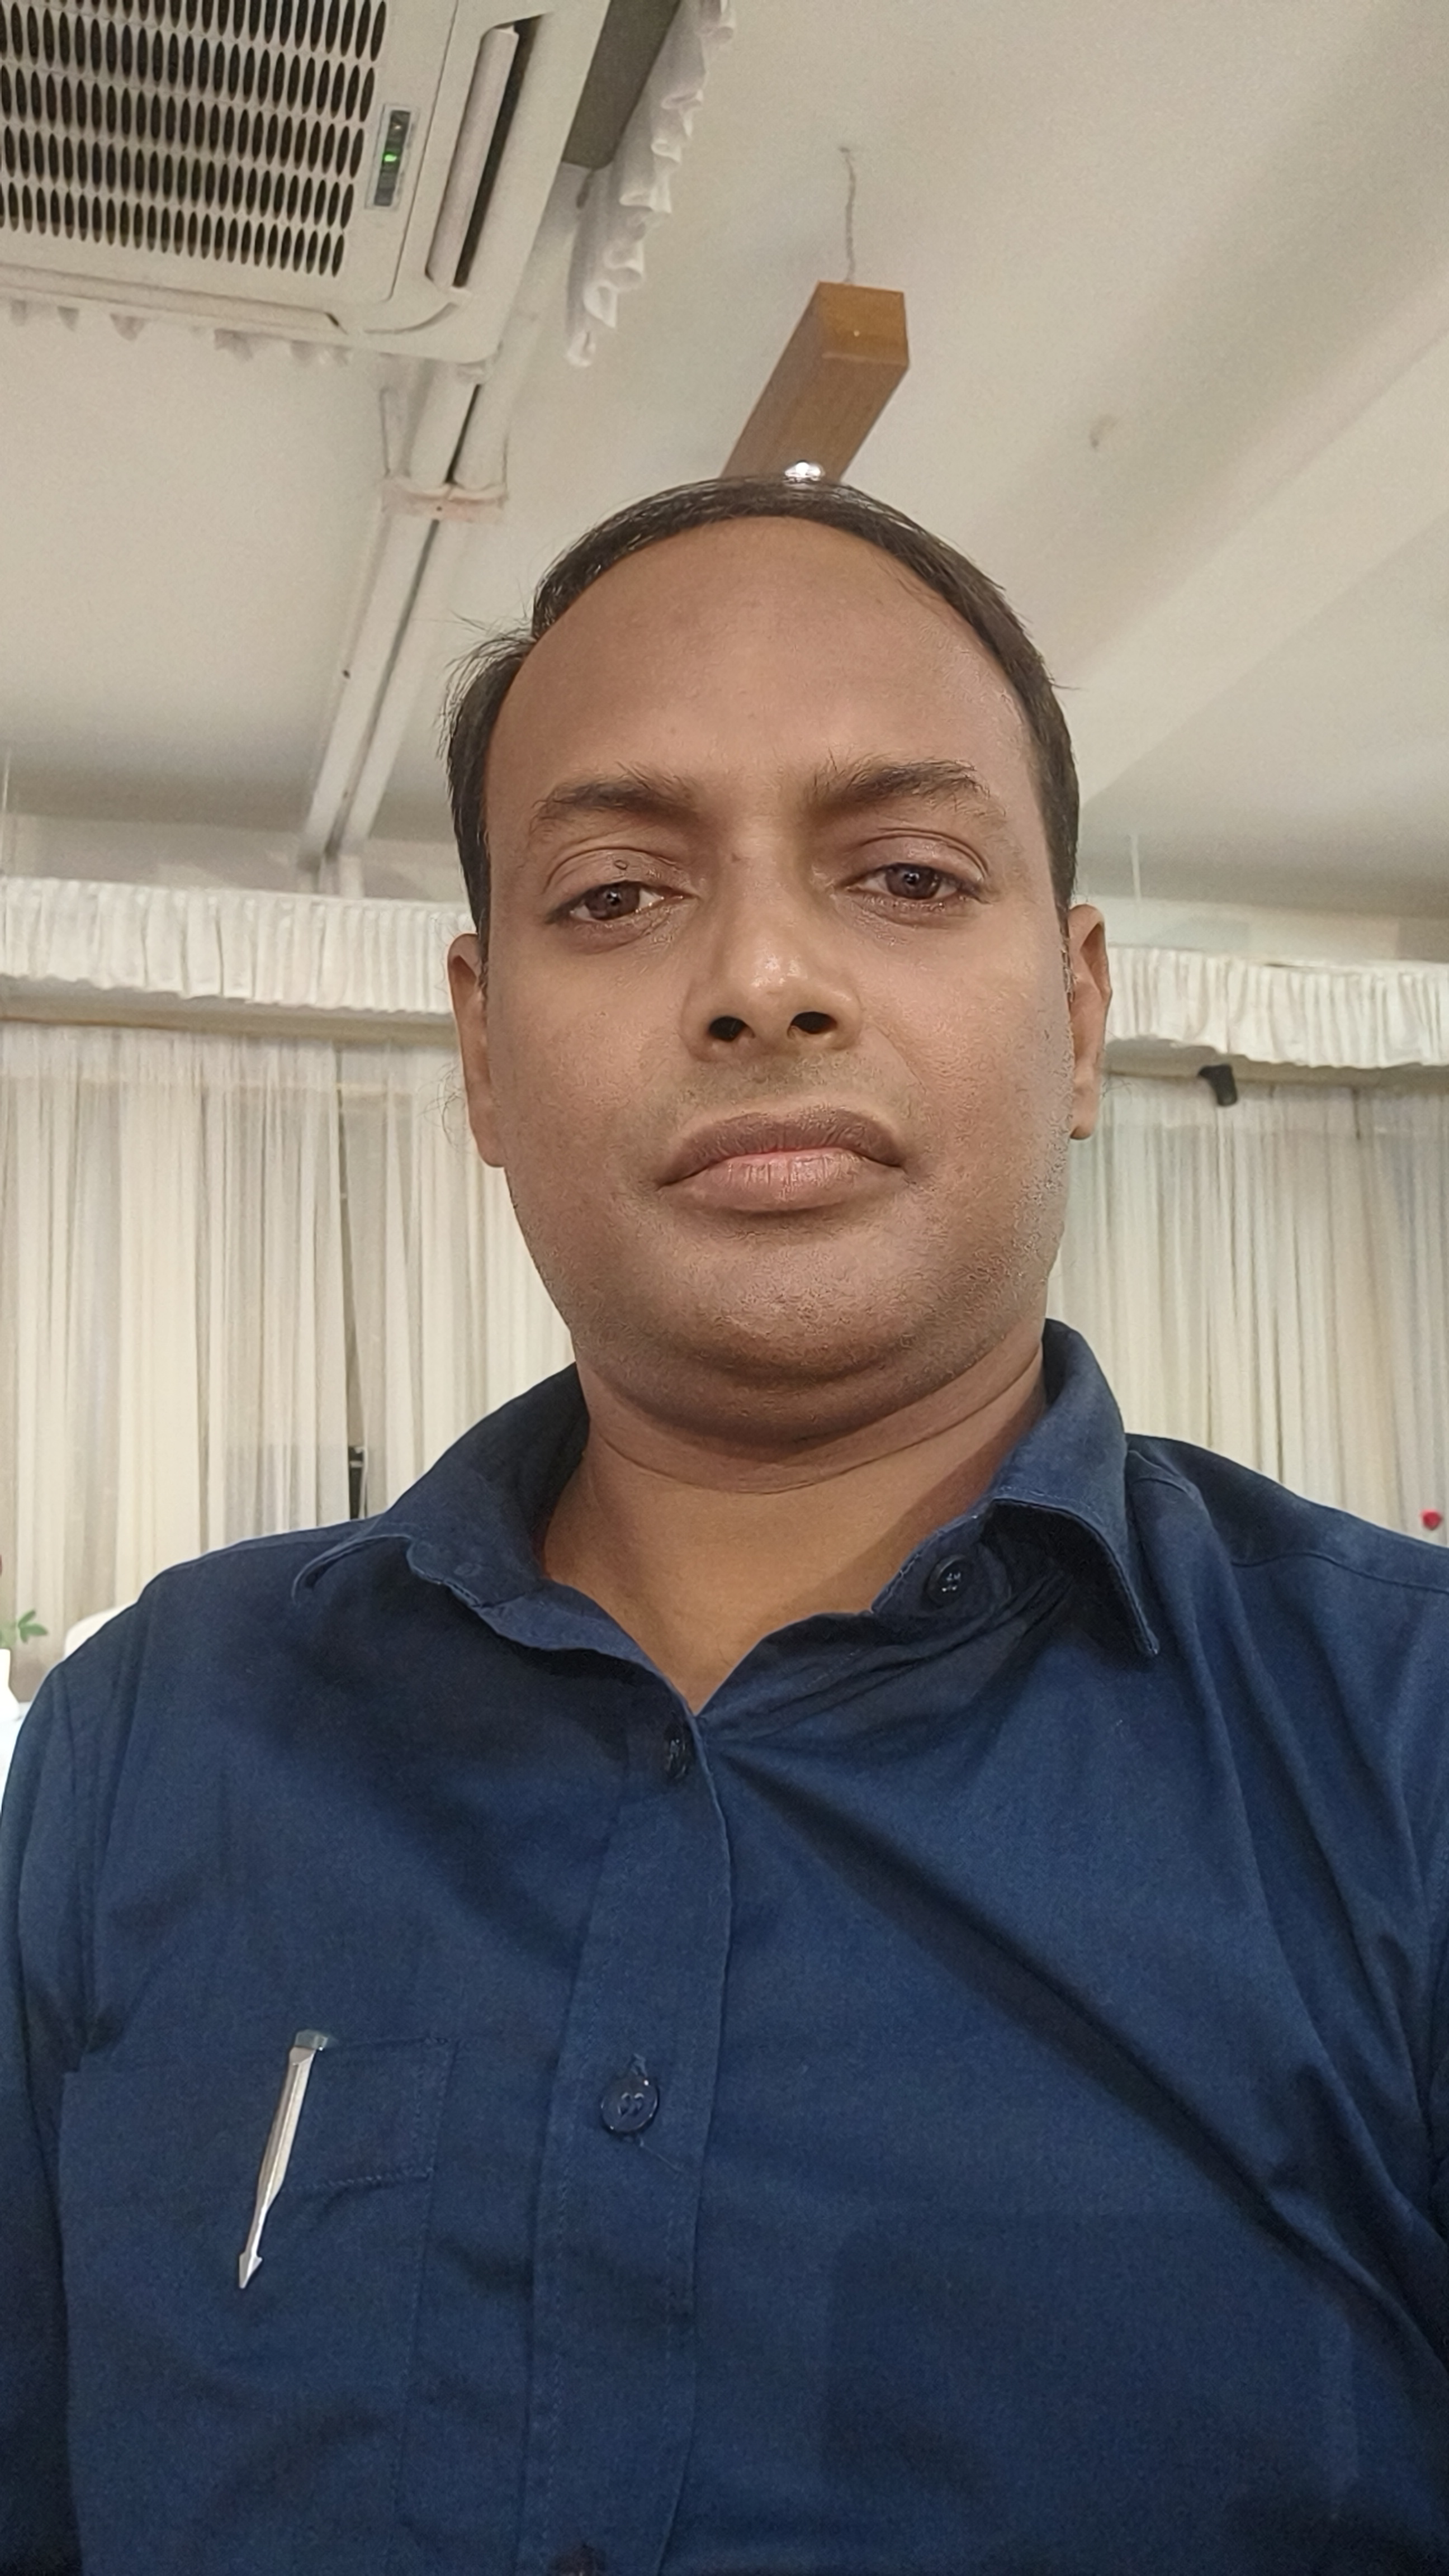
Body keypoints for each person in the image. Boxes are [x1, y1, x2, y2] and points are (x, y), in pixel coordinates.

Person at [2, 475, 1447, 2576]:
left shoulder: (1406, 1745)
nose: (765, 981)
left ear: (1079, 1012)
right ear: (481, 1049)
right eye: (615, 897)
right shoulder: (157, 1740)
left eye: (908, 874)